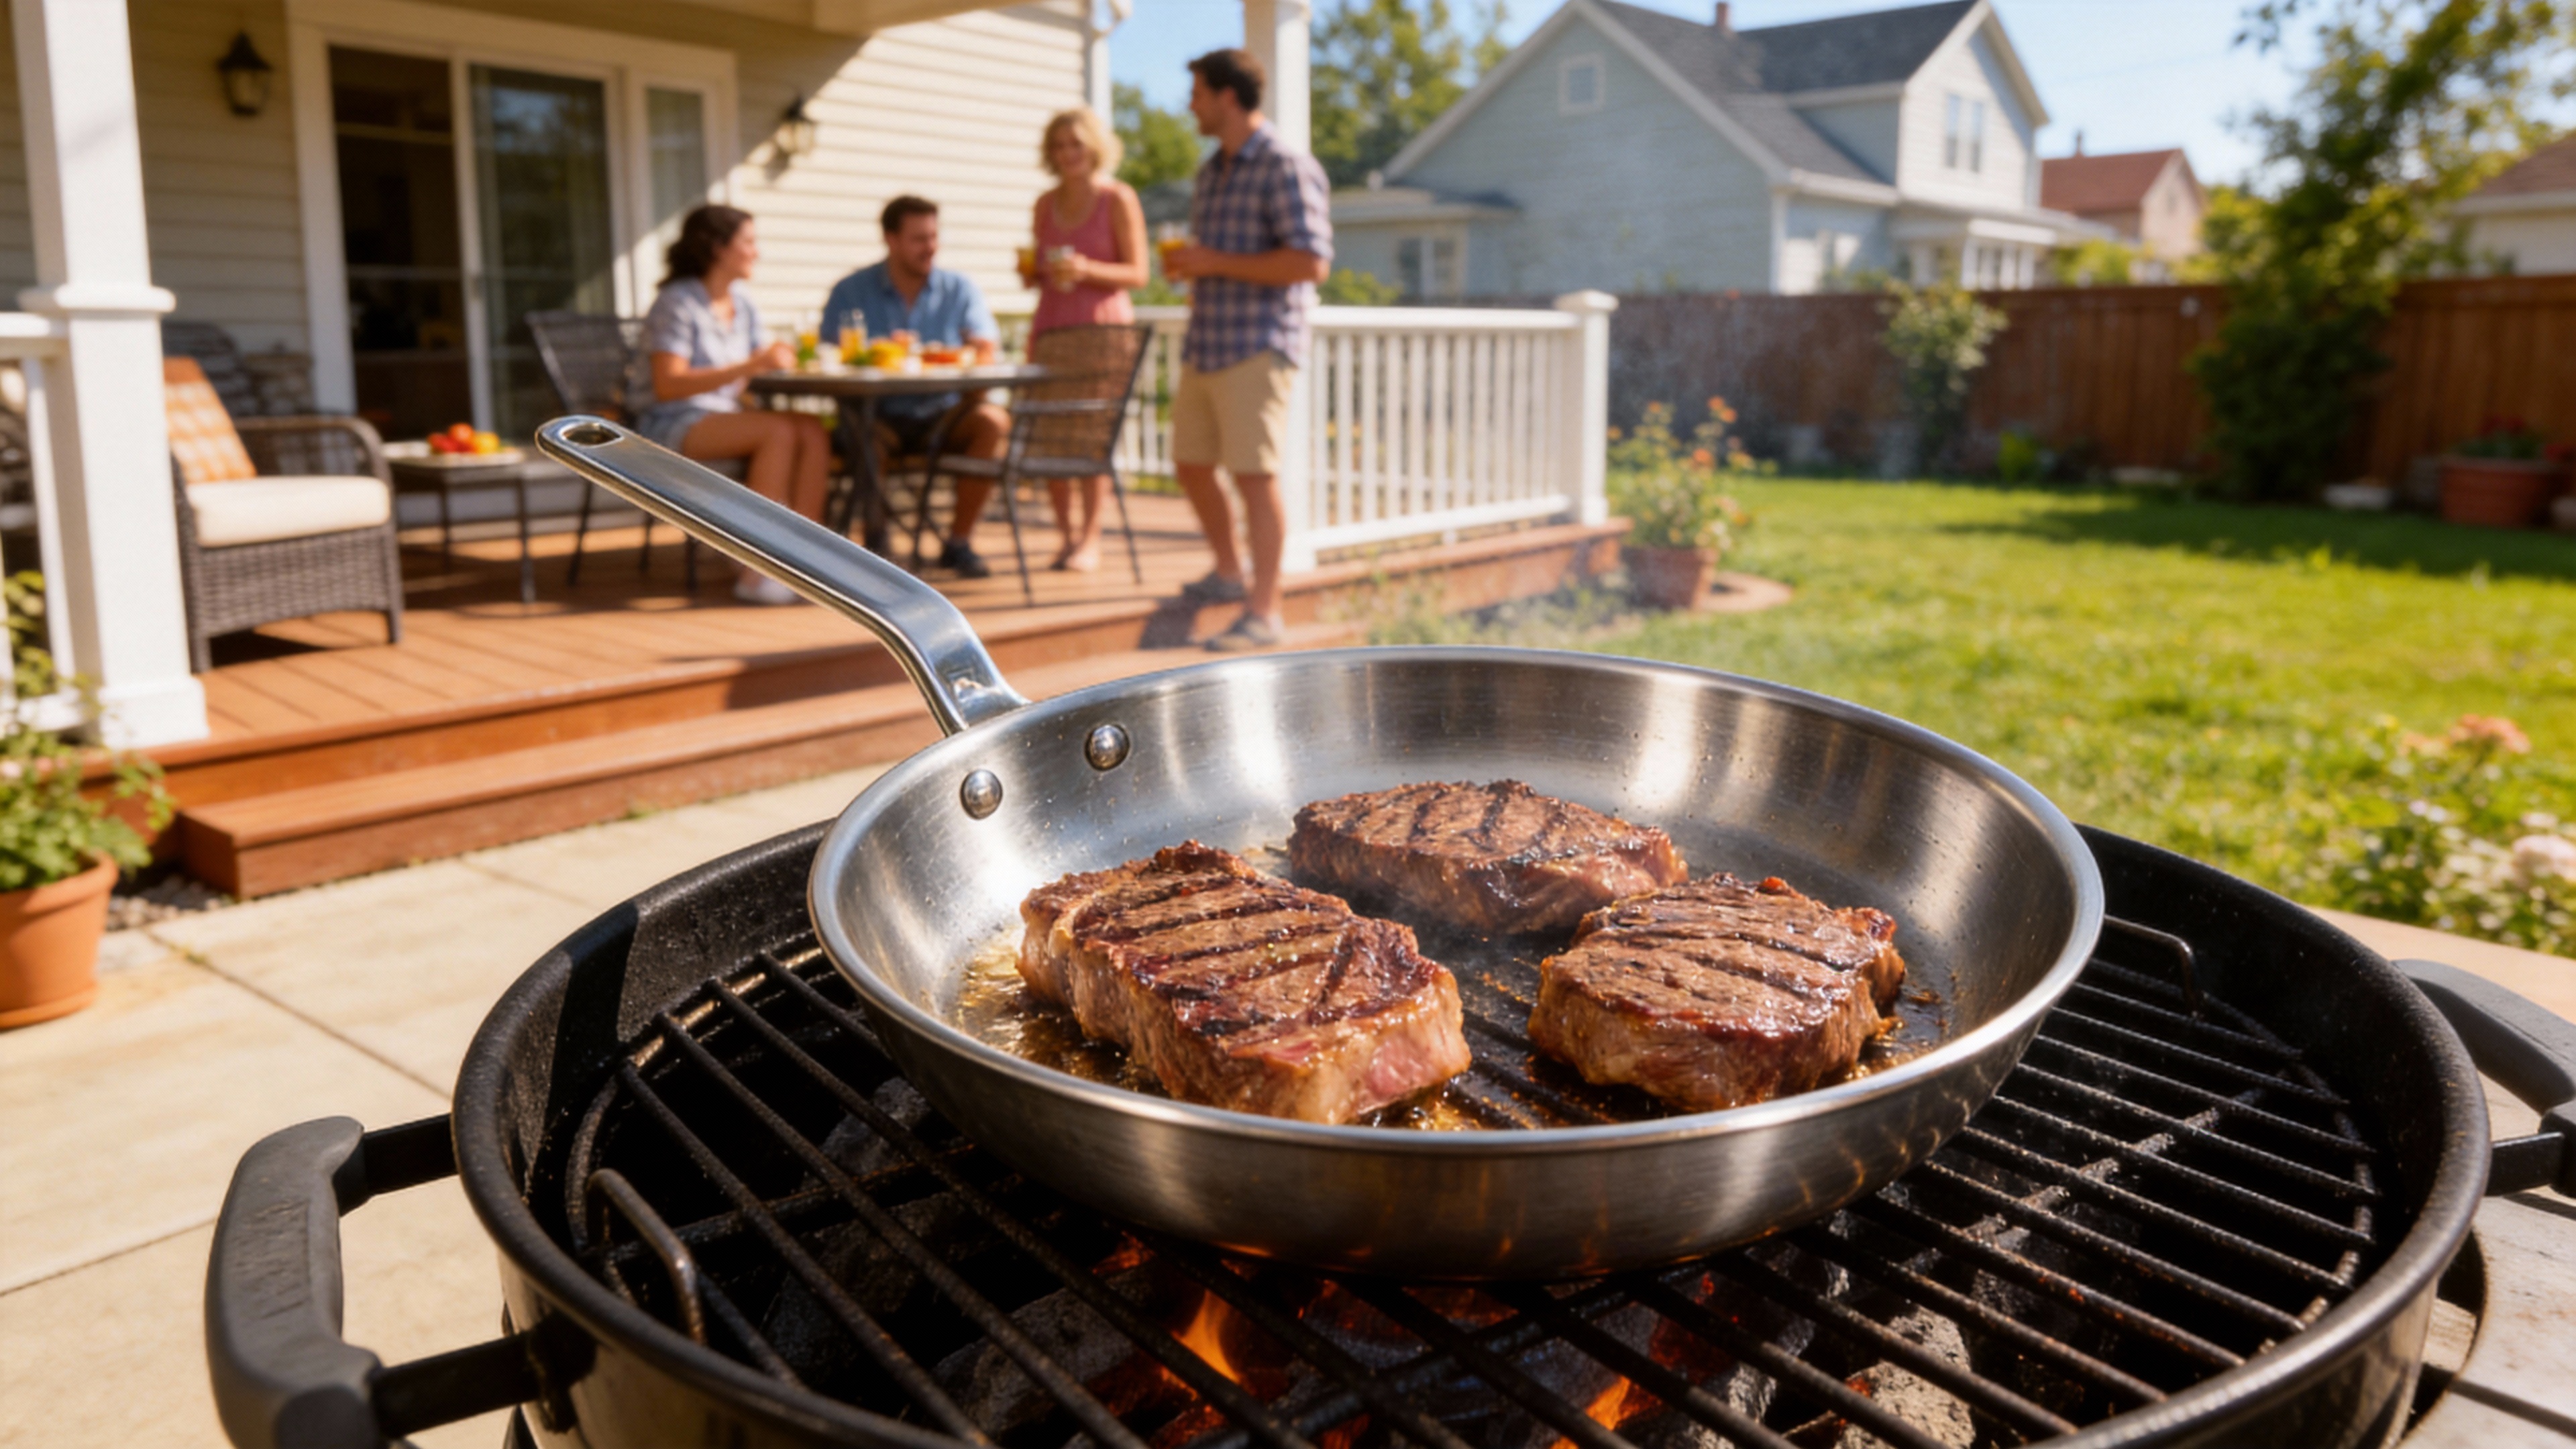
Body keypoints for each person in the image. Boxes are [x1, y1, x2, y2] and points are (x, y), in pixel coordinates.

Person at [1161, 48, 1333, 651]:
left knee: (1255, 478)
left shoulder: (1285, 164)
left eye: (1198, 94)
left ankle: (1265, 611)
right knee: (1188, 463)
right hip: (1207, 340)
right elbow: (1217, 257)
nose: (1190, 105)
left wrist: (1216, 262)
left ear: (1227, 97)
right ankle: (1229, 573)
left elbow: (1312, 261)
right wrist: (1195, 267)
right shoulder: (1213, 170)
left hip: (1259, 345)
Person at [634, 205, 834, 606]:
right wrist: (751, 365)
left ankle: (807, 565)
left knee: (811, 429)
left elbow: (754, 371)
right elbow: (668, 384)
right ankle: (756, 571)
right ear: (718, 249)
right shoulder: (677, 303)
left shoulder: (742, 304)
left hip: (724, 416)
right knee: (776, 431)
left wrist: (780, 363)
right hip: (669, 422)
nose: (756, 252)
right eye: (749, 242)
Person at [820, 196, 1009, 578]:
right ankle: (877, 546)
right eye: (919, 239)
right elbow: (828, 359)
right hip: (877, 415)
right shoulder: (851, 292)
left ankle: (958, 543)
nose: (930, 247)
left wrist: (977, 350)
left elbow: (986, 349)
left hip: (942, 414)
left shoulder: (960, 290)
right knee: (865, 436)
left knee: (993, 421)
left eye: (934, 237)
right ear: (891, 239)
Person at [1024, 107, 1148, 572]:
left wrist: (1087, 269)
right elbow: (1042, 269)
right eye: (1058, 145)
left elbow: (1139, 273)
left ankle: (1092, 539)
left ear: (1094, 145)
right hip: (1053, 327)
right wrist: (1033, 272)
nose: (1067, 153)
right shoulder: (1044, 205)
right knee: (1052, 436)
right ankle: (1066, 536)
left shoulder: (1118, 198)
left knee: (1089, 437)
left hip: (1103, 332)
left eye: (1075, 143)